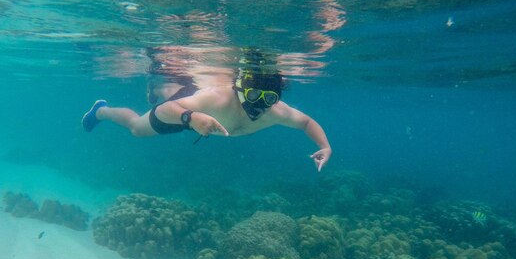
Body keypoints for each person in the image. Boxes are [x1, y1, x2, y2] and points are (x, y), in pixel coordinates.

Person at [81, 67, 332, 171]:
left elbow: (307, 123)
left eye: (268, 98)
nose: (260, 104)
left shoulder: (277, 111)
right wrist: (190, 117)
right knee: (136, 128)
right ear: (242, 89)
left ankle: (158, 86)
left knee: (172, 92)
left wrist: (325, 146)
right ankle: (101, 111)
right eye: (254, 94)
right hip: (188, 110)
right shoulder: (217, 99)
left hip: (196, 115)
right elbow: (165, 111)